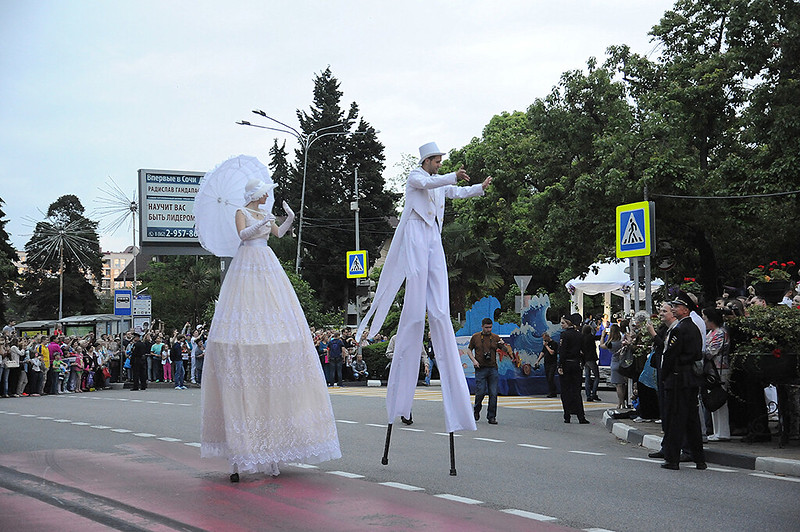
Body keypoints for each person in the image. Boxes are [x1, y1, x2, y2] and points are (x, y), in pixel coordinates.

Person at [200, 173, 340, 482]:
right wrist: (258, 225)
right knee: (246, 309)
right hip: (247, 264)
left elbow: (277, 235)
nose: (267, 197)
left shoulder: (265, 214)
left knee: (277, 312)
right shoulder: (243, 211)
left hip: (267, 263)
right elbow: (242, 235)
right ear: (255, 194)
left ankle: (273, 453)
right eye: (264, 193)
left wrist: (288, 218)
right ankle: (244, 454)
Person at [357, 142, 491, 434]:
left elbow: (454, 190)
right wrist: (452, 176)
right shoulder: (416, 177)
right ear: (427, 160)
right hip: (416, 232)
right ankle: (417, 308)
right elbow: (433, 183)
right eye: (438, 161)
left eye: (442, 162)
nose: (440, 165)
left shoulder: (439, 182)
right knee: (416, 289)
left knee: (439, 302)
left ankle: (435, 310)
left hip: (432, 235)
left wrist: (479, 186)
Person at [659, 297, 707, 471]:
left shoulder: (681, 329)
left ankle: (672, 459)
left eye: (677, 307)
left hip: (679, 379)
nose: (674, 309)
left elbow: (671, 355)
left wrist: (664, 375)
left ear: (685, 310)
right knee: (691, 420)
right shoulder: (692, 327)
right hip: (690, 379)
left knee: (676, 420)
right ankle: (699, 459)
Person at [468, 318, 505, 424]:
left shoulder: (495, 337)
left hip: (492, 368)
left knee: (493, 393)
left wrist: (503, 344)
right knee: (480, 392)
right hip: (480, 368)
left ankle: (491, 416)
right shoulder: (476, 337)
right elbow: (469, 350)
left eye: (490, 327)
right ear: (482, 327)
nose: (488, 329)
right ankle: (476, 410)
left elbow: (505, 350)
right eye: (486, 327)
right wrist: (474, 360)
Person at [702, 307, 731, 442]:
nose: (704, 321)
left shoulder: (720, 333)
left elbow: (711, 351)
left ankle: (723, 431)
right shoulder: (711, 333)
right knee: (713, 399)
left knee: (720, 399)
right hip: (712, 370)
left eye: (705, 318)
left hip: (720, 369)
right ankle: (717, 430)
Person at [558, 314, 589, 424]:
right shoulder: (579, 335)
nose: (561, 325)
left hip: (566, 364)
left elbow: (562, 351)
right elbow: (584, 351)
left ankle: (567, 415)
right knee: (576, 391)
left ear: (568, 323)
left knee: (565, 391)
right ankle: (581, 416)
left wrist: (560, 365)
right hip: (576, 364)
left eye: (563, 323)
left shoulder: (564, 335)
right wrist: (582, 363)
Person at [535, 332, 559, 397]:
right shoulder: (545, 344)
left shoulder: (554, 344)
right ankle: (551, 391)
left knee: (551, 377)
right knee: (548, 377)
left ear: (548, 337)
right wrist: (538, 360)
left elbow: (552, 352)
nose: (544, 341)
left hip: (553, 363)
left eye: (545, 339)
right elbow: (543, 352)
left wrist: (546, 346)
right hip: (546, 363)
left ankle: (553, 391)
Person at [581, 325, 600, 401]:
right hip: (591, 358)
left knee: (587, 377)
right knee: (596, 376)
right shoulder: (591, 337)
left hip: (585, 359)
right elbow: (597, 337)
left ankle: (588, 395)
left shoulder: (582, 338)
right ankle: (594, 393)